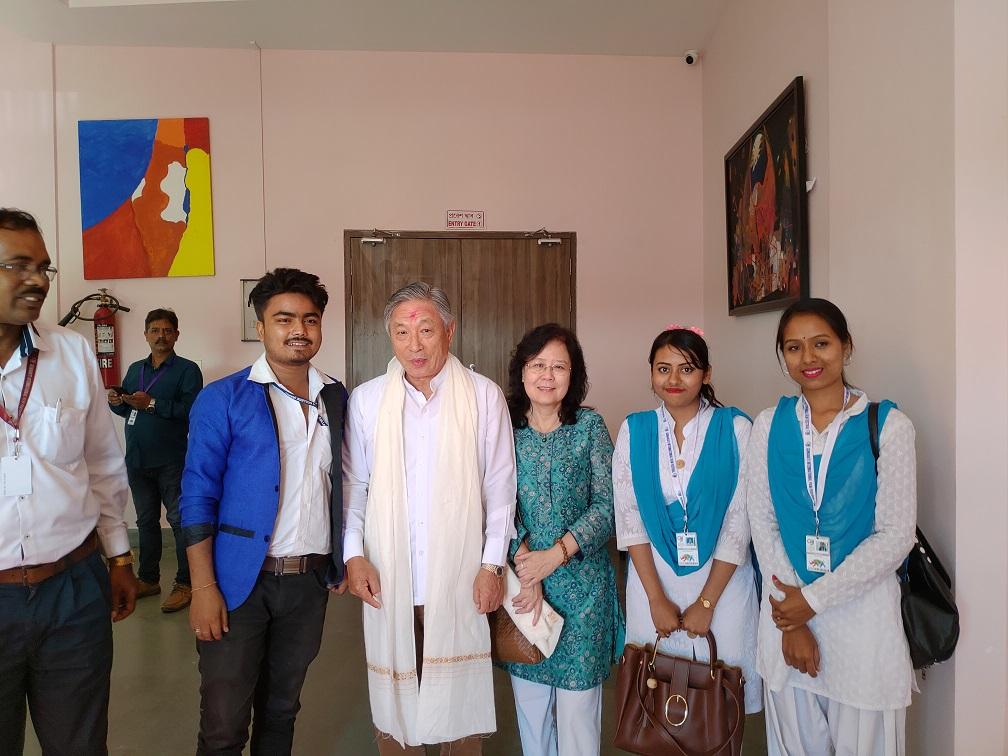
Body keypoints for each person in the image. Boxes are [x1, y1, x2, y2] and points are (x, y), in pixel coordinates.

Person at [343, 281, 517, 754]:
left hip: (459, 579)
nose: (414, 345)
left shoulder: (482, 397)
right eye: (402, 332)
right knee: (395, 710)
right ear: (389, 337)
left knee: (458, 711)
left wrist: (491, 565)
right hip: (389, 576)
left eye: (425, 330)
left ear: (450, 331)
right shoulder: (367, 400)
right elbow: (355, 485)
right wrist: (354, 555)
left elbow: (500, 489)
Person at [180, 268, 348, 756]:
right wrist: (204, 587)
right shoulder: (223, 398)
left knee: (281, 711)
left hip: (307, 584)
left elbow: (345, 484)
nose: (299, 329)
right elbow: (196, 496)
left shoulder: (336, 397)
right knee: (224, 724)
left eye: (310, 319)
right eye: (285, 318)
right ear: (261, 327)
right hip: (237, 585)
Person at [746, 298, 916, 755]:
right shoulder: (768, 425)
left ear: (846, 346)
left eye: (821, 343)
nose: (809, 358)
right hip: (786, 623)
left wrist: (812, 601)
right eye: (794, 347)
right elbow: (762, 521)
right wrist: (793, 618)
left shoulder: (888, 426)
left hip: (862, 627)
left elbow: (896, 536)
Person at [0, 207, 137, 755]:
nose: (36, 280)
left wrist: (120, 557)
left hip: (72, 589)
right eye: (17, 265)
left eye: (43, 268)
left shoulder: (72, 352)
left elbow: (103, 463)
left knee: (79, 744)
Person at [613, 325, 763, 715]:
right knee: (657, 698)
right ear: (651, 373)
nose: (674, 379)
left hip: (723, 585)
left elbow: (738, 522)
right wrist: (655, 599)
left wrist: (707, 602)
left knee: (718, 703)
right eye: (663, 369)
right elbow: (630, 521)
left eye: (686, 368)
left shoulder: (736, 429)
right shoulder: (635, 430)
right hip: (653, 580)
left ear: (706, 374)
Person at [500, 323, 623, 756]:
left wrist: (557, 554)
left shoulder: (589, 427)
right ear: (521, 371)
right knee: (531, 713)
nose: (547, 376)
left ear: (574, 375)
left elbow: (608, 506)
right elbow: (494, 502)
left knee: (578, 714)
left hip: (584, 591)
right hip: (524, 589)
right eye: (538, 365)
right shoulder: (505, 430)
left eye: (559, 366)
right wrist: (524, 563)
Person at [108, 308, 203, 612]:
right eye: (154, 330)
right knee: (146, 521)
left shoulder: (187, 370)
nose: (161, 336)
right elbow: (128, 411)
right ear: (146, 334)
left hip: (171, 459)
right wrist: (118, 403)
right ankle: (148, 579)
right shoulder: (136, 369)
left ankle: (186, 583)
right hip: (137, 459)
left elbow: (191, 411)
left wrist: (152, 403)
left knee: (178, 521)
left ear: (176, 334)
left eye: (167, 331)